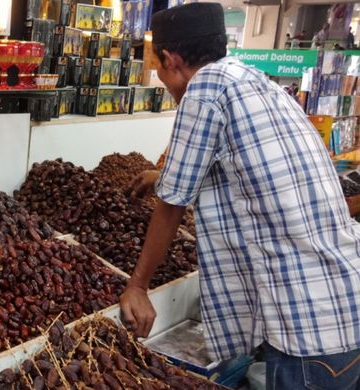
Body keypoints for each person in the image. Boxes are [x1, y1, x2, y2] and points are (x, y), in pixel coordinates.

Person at [121, 3, 360, 389]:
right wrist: (164, 174)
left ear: (170, 59)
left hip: (308, 331)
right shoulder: (257, 81)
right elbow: (245, 168)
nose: (163, 81)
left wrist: (137, 287)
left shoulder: (204, 89)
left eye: (158, 69)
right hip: (344, 307)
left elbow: (171, 206)